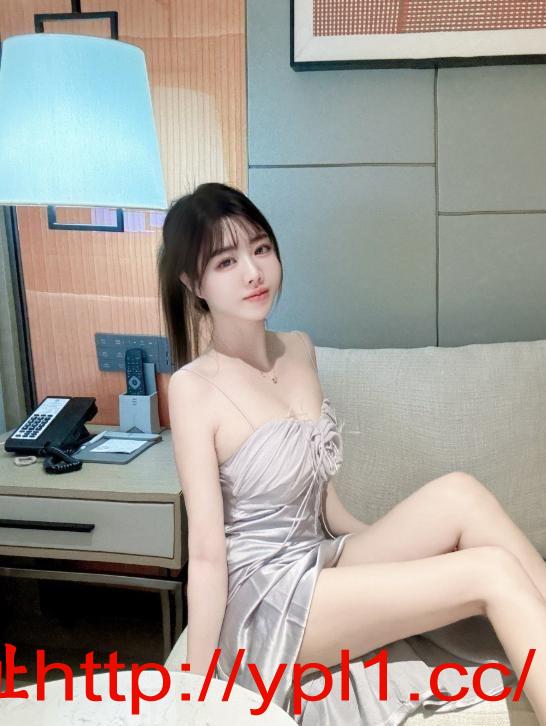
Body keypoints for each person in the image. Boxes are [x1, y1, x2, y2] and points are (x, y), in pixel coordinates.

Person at [157, 182, 546, 725]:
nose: (253, 272)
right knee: (491, 570)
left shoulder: (298, 348)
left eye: (261, 248)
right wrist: (195, 691)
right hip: (266, 599)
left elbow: (325, 505)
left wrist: (399, 551)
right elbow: (205, 553)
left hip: (320, 558)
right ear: (192, 282)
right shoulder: (192, 388)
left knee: (460, 492)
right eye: (226, 261)